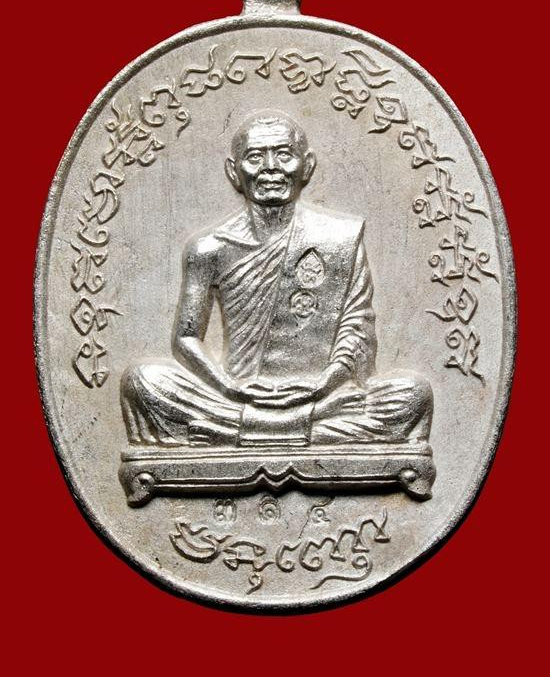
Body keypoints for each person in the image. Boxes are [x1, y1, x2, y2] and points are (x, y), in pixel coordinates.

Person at [121, 110, 432, 448]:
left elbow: (358, 331)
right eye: (255, 157)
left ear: (307, 166)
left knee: (413, 394)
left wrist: (324, 384)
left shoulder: (339, 239)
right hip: (236, 398)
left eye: (284, 155)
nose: (270, 168)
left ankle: (239, 435)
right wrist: (228, 386)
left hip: (322, 397)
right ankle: (294, 430)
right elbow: (186, 337)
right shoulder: (209, 248)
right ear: (234, 172)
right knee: (142, 381)